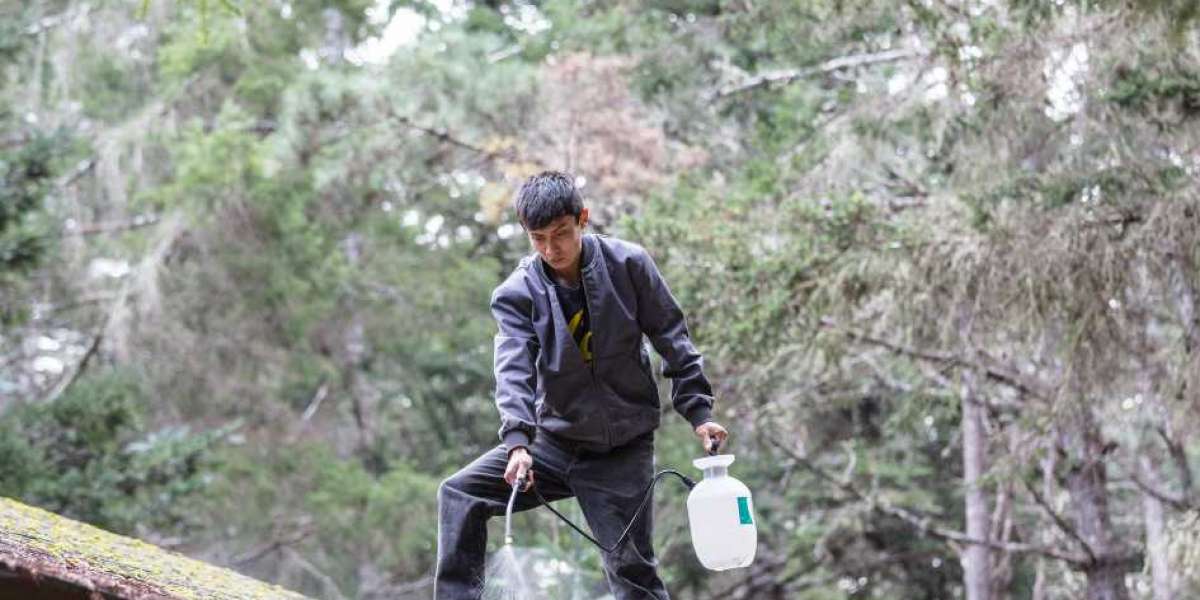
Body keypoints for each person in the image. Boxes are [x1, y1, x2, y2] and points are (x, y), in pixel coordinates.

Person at [434, 171, 728, 599]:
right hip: (551, 447)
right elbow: (514, 367)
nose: (552, 249)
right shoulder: (518, 292)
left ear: (582, 219)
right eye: (538, 239)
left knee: (632, 573)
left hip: (621, 451)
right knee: (459, 495)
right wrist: (518, 444)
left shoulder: (629, 265)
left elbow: (673, 339)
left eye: (561, 234)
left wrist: (700, 415)